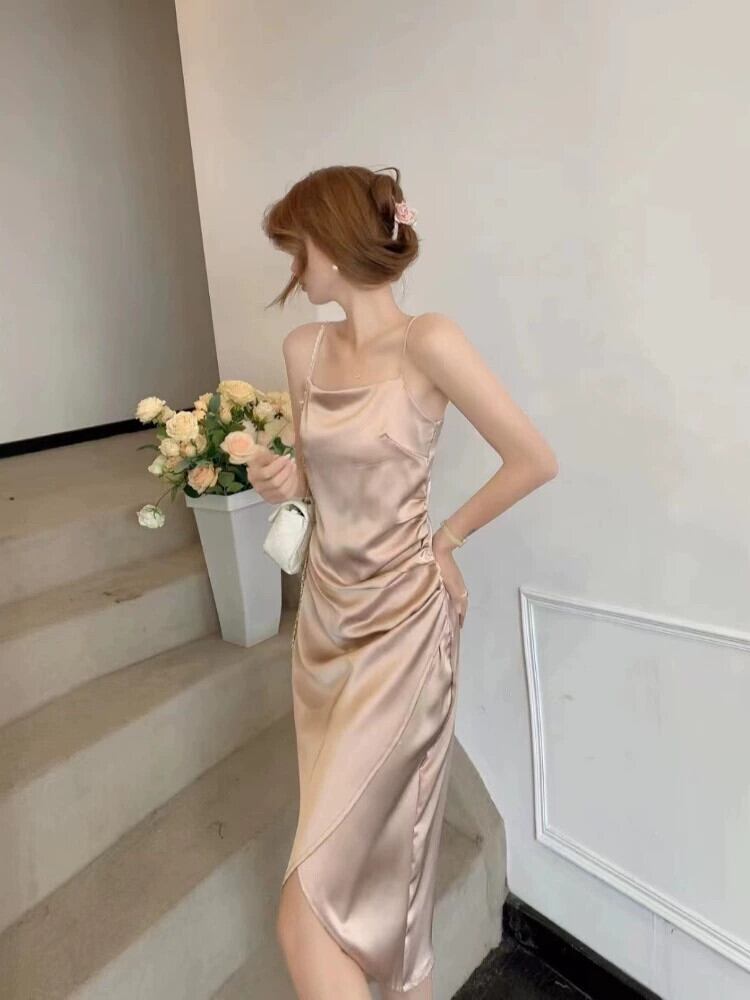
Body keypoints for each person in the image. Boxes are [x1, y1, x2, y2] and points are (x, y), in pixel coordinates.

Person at [249, 165, 558, 999]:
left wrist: (446, 541)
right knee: (368, 892)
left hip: (404, 636)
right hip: (324, 634)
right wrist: (281, 480)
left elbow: (532, 459)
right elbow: (315, 480)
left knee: (310, 911)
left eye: (297, 248)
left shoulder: (431, 342)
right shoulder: (304, 350)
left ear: (332, 245)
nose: (293, 270)